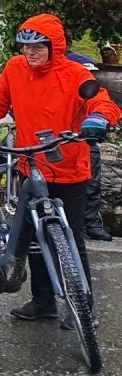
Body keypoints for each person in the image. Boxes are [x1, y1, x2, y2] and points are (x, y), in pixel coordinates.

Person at [0, 15, 119, 322]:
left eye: (38, 47)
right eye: (25, 46)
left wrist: (98, 120)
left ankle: (82, 308)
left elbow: (102, 101)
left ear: (53, 47)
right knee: (33, 237)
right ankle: (43, 301)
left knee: (71, 240)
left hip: (70, 167)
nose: (30, 53)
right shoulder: (15, 69)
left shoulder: (75, 74)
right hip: (30, 163)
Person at [66, 50, 115, 242]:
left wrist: (99, 119)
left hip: (84, 139)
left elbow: (105, 104)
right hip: (56, 141)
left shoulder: (90, 89)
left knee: (92, 183)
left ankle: (91, 222)